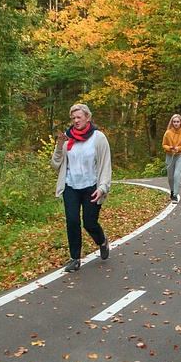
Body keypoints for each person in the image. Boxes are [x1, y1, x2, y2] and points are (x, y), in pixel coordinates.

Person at [52, 103, 112, 271]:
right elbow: (56, 164)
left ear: (88, 118)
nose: (76, 121)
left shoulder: (98, 138)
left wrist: (102, 187)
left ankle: (102, 240)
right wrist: (58, 146)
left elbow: (106, 165)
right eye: (73, 118)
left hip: (91, 186)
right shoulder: (66, 137)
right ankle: (75, 258)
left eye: (79, 117)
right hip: (70, 185)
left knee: (89, 223)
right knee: (72, 221)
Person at [162, 113, 181, 202]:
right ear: (172, 123)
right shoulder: (168, 132)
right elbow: (164, 144)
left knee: (176, 175)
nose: (176, 123)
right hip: (170, 156)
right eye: (174, 122)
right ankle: (172, 191)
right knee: (170, 177)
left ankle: (175, 195)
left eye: (177, 122)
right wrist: (169, 148)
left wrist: (180, 148)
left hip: (180, 156)